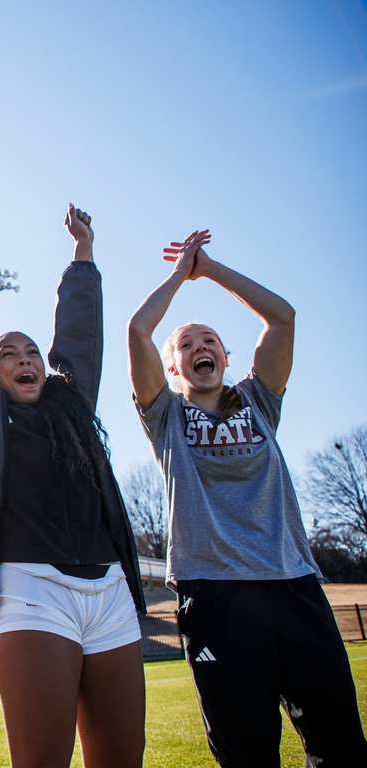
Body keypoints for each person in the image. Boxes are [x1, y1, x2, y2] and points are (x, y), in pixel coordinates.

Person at [127, 230, 367, 766]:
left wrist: (209, 270)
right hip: (215, 595)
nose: (199, 348)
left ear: (226, 354)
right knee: (247, 752)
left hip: (293, 585)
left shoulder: (259, 401)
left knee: (341, 746)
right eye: (186, 345)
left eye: (209, 339)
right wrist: (178, 276)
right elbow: (138, 330)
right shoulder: (165, 416)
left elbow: (282, 318)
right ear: (172, 368)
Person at [0, 201, 146, 767]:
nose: (25, 359)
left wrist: (83, 255)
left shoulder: (71, 408)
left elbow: (80, 337)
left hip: (109, 593)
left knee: (124, 757)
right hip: (32, 591)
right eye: (10, 354)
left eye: (32, 353)